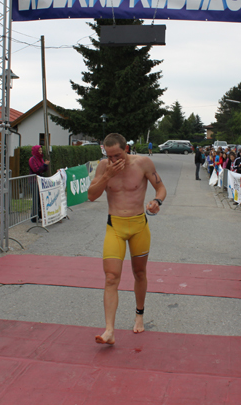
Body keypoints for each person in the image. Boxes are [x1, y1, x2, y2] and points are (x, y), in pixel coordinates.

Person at [88, 133, 167, 345]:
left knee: (139, 273)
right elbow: (91, 195)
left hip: (139, 225)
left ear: (127, 149)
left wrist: (157, 201)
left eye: (117, 155)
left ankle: (139, 314)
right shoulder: (103, 167)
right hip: (115, 226)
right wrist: (107, 175)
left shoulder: (143, 163)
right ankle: (109, 330)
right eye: (109, 156)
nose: (113, 160)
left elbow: (161, 187)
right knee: (111, 277)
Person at [29, 145, 50, 223]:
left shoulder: (41, 159)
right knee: (36, 199)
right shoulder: (32, 159)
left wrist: (45, 165)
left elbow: (44, 169)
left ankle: (40, 215)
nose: (41, 152)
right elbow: (36, 170)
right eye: (39, 150)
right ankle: (34, 217)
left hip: (41, 180)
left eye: (41, 150)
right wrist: (44, 165)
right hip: (34, 181)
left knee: (41, 199)